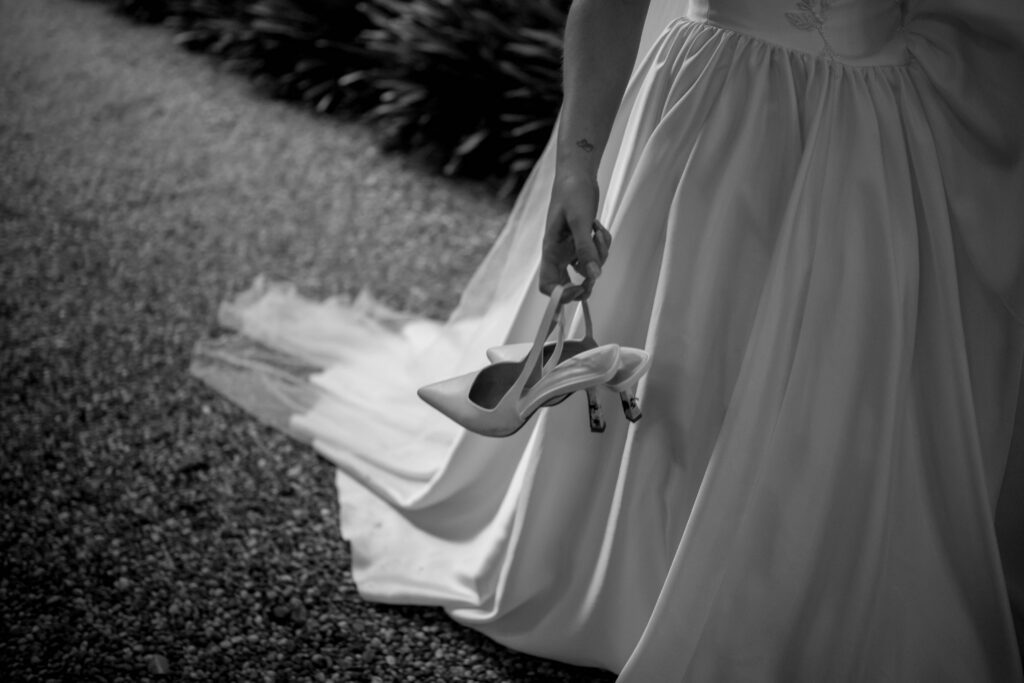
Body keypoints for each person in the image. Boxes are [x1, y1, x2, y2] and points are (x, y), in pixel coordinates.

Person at [193, 0, 1024, 679]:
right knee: (704, 367)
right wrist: (578, 165)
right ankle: (655, 577)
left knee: (853, 387)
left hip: (876, 138)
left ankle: (821, 591)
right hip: (722, 124)